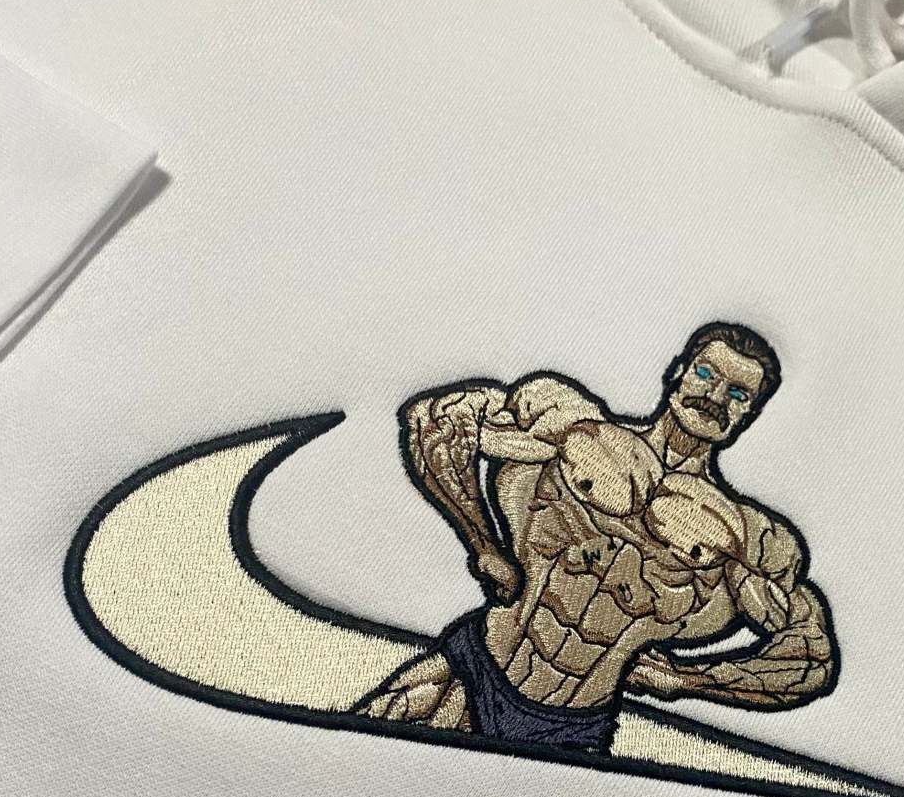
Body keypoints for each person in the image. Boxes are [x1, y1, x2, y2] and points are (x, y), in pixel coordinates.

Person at [354, 321, 838, 753]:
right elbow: (438, 422)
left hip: (574, 728)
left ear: (749, 413)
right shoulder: (576, 436)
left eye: (737, 394)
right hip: (477, 668)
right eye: (707, 374)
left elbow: (809, 656)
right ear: (678, 371)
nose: (714, 397)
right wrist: (482, 544)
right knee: (348, 758)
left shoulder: (742, 541)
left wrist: (690, 681)